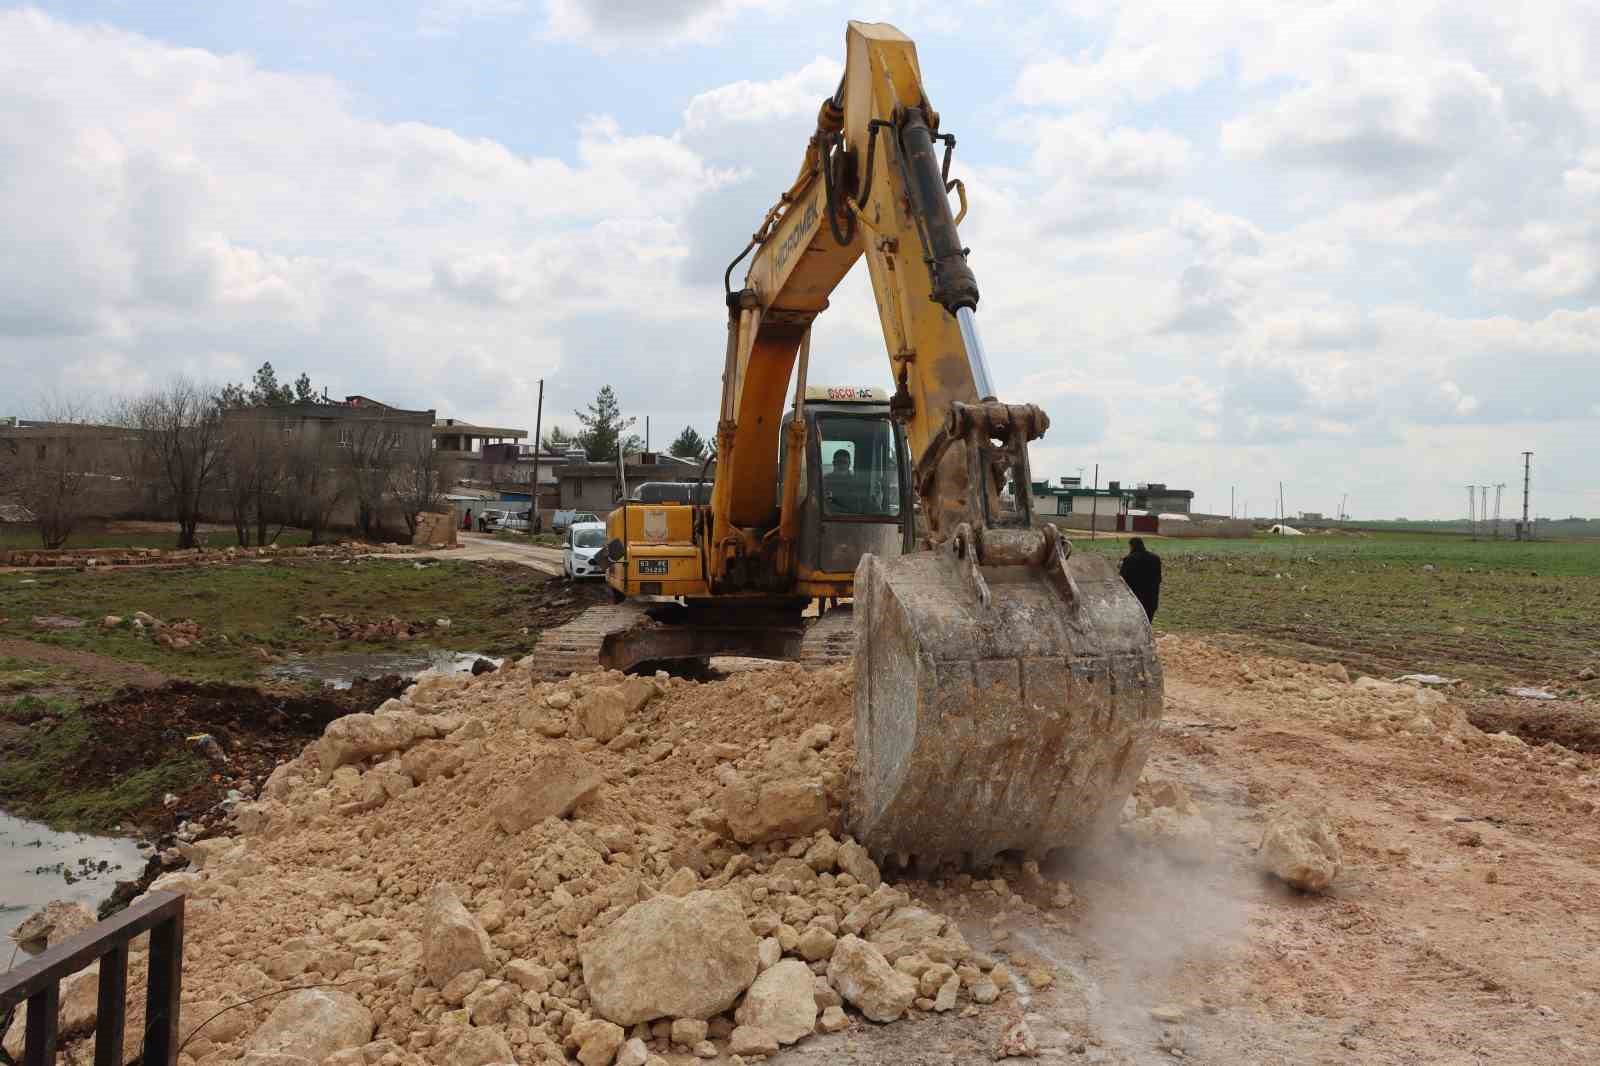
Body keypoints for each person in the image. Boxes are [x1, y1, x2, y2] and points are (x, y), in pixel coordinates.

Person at [1119, 536, 1162, 622]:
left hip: (1135, 598)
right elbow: (1159, 578)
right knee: (1147, 623)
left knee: (1135, 624)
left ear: (1131, 546)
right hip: (1151, 597)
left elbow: (1123, 579)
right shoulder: (1155, 558)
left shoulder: (1129, 559)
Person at [824, 448, 857, 512]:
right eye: (839, 462)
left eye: (844, 462)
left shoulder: (855, 481)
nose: (842, 466)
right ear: (833, 463)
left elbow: (858, 503)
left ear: (849, 464)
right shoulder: (825, 480)